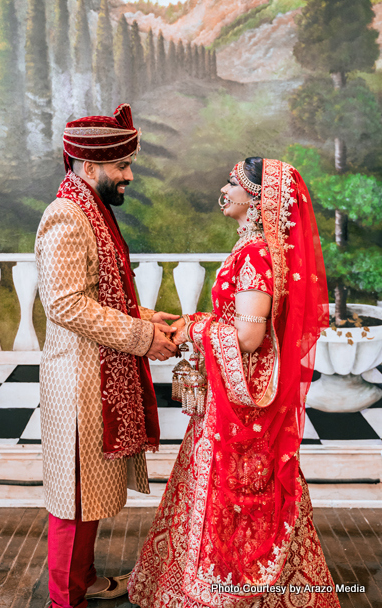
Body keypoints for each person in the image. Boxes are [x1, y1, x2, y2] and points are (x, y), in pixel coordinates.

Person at [128, 157, 341, 608]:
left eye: (233, 183)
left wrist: (195, 328)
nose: (223, 190)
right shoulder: (262, 250)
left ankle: (228, 588)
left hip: (244, 394)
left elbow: (248, 336)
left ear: (257, 198)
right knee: (248, 483)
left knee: (239, 487)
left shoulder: (257, 254)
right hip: (237, 387)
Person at [35, 103, 178, 608]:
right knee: (74, 501)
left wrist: (145, 315)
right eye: (121, 165)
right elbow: (66, 304)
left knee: (88, 496)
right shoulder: (67, 217)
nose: (129, 175)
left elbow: (97, 291)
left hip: (94, 377)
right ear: (91, 167)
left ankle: (86, 579)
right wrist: (142, 338)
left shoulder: (88, 209)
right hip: (78, 383)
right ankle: (63, 598)